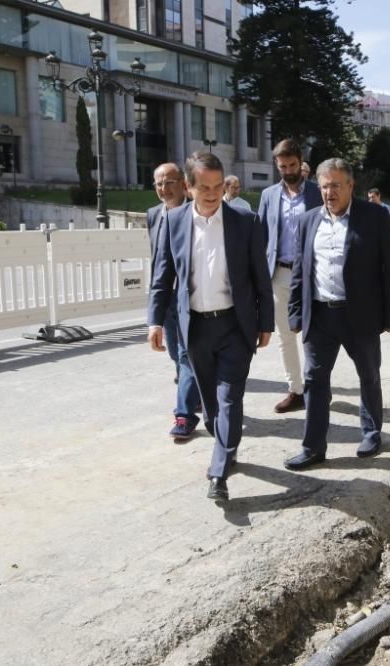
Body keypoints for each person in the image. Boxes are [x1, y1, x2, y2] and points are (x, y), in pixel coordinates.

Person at [148, 151, 274, 502]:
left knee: (230, 398)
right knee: (212, 407)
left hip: (235, 325)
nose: (212, 193)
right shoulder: (173, 223)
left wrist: (266, 323)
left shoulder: (244, 222)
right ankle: (226, 444)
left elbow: (260, 278)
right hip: (196, 329)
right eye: (204, 187)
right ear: (188, 187)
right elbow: (162, 277)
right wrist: (155, 321)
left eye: (218, 186)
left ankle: (218, 472)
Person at [284, 158, 390, 471]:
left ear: (351, 186)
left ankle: (371, 433)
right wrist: (295, 313)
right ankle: (313, 447)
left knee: (368, 374)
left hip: (359, 315)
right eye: (325, 186)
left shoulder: (374, 217)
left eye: (336, 185)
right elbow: (300, 270)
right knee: (314, 381)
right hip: (320, 315)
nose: (329, 192)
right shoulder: (309, 220)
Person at [257, 139, 323, 414]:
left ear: (301, 162)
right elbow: (261, 235)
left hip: (311, 276)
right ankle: (296, 390)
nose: (287, 171)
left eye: (292, 165)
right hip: (279, 274)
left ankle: (318, 389)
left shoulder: (318, 194)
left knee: (315, 335)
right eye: (282, 166)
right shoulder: (269, 195)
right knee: (285, 336)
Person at [146, 163, 202, 441]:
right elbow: (158, 262)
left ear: (183, 184)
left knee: (185, 355)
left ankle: (184, 414)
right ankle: (197, 394)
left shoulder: (195, 213)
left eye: (169, 182)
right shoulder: (153, 215)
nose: (163, 188)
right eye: (158, 183)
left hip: (190, 298)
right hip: (165, 297)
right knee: (175, 356)